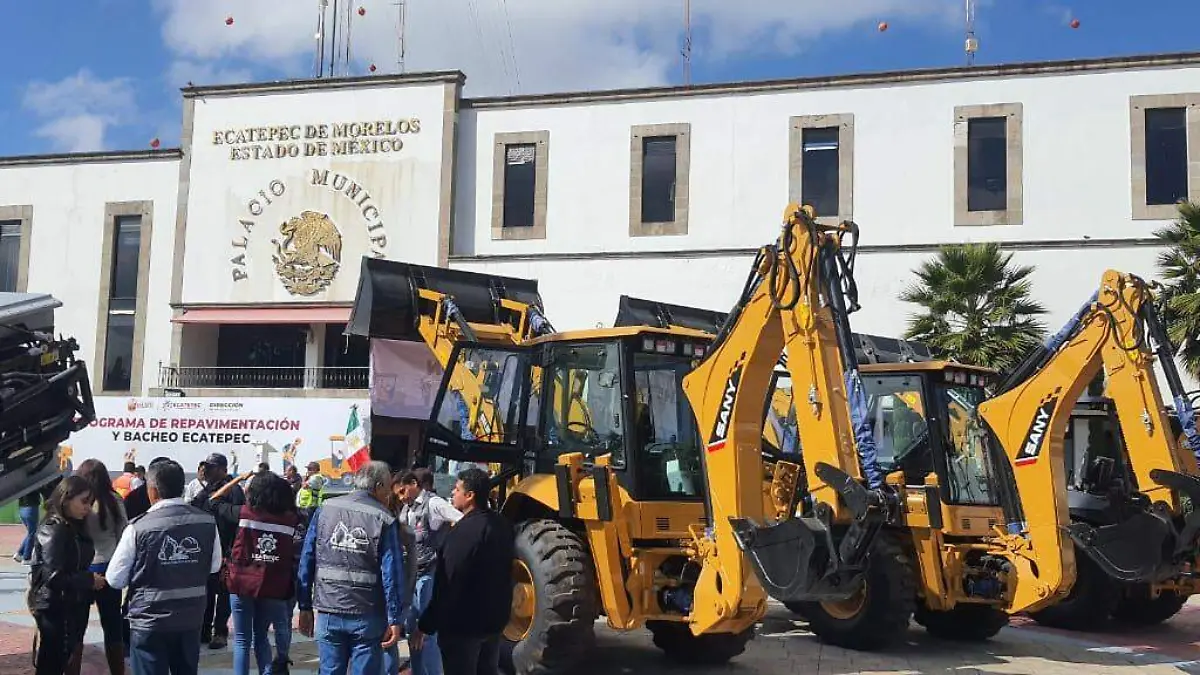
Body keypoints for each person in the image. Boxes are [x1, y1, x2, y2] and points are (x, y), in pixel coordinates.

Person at [107, 459, 221, 675]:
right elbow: (214, 567)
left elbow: (115, 579)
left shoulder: (138, 527)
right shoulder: (206, 522)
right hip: (190, 618)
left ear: (152, 490)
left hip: (150, 622)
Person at [297, 461, 408, 675]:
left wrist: (304, 606)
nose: (389, 494)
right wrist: (395, 618)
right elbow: (392, 573)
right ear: (377, 486)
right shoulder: (384, 519)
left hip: (329, 610)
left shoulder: (325, 509)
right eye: (387, 487)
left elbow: (307, 558)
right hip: (367, 614)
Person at [414, 468, 514, 675]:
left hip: (463, 626)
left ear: (470, 496)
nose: (452, 492)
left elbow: (448, 582)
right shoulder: (502, 525)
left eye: (457, 489)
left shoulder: (463, 533)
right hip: (494, 621)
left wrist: (426, 625)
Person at [204, 471, 301, 675]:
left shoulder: (243, 514)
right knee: (261, 636)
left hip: (241, 584)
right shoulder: (291, 519)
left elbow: (212, 500)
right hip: (274, 586)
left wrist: (237, 479)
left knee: (241, 640)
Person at [27, 475, 103, 675]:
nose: (88, 507)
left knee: (59, 660)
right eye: (84, 501)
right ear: (66, 498)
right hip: (56, 607)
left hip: (69, 604)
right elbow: (53, 577)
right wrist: (88, 580)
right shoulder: (55, 528)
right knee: (52, 662)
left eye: (91, 503)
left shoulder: (73, 526)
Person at [396, 468, 461, 675]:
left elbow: (462, 521)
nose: (401, 497)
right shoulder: (406, 509)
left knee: (427, 632)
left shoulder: (433, 504)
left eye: (402, 491)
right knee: (412, 630)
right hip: (411, 576)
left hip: (429, 574)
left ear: (414, 484)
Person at [76, 459, 130, 675]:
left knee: (77, 627)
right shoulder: (113, 500)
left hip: (82, 569)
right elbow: (123, 533)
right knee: (112, 625)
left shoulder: (79, 502)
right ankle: (117, 671)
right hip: (108, 567)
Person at [191, 452, 244, 650]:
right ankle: (204, 629)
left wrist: (230, 554)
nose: (207, 471)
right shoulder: (207, 490)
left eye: (212, 467)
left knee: (223, 594)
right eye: (206, 467)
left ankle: (220, 632)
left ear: (223, 469)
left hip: (225, 551)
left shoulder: (234, 490)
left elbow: (238, 520)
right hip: (206, 550)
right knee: (205, 593)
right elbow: (194, 508)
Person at [385, 473, 420, 675]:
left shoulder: (379, 529)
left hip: (378, 598)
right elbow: (412, 569)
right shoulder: (406, 533)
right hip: (399, 596)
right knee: (390, 642)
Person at [14, 483, 52, 564]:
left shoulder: (24, 483)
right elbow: (44, 490)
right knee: (33, 533)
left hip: (22, 508)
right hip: (31, 508)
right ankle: (26, 558)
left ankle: (19, 553)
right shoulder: (34, 483)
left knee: (31, 533)